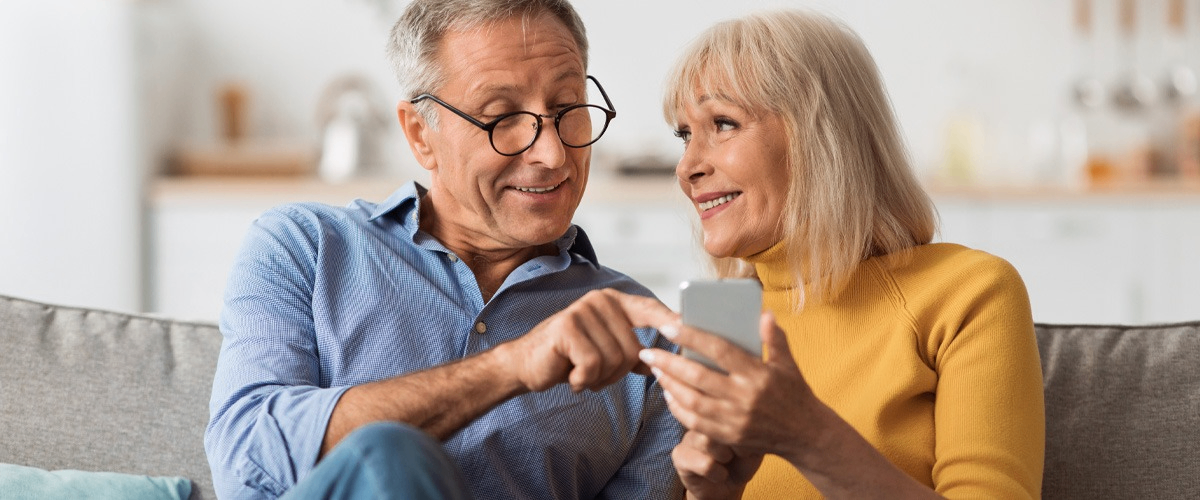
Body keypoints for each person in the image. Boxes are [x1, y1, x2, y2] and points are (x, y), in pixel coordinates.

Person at [203, 1, 684, 498]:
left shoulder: (646, 339)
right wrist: (509, 367)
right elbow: (244, 463)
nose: (552, 154)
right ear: (420, 134)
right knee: (386, 456)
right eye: (503, 117)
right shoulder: (306, 247)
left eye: (566, 110)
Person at [636, 9, 1045, 499]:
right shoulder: (718, 322)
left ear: (820, 137)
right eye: (684, 135)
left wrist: (809, 439)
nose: (687, 167)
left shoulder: (968, 293)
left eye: (723, 123)